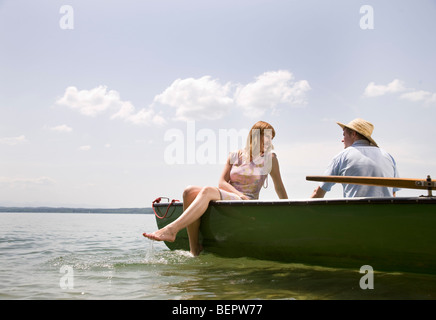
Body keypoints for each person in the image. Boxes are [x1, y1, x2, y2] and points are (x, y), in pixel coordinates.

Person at [143, 121, 288, 256]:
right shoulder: (235, 155)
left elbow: (279, 187)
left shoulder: (270, 159)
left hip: (247, 202)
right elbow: (222, 182)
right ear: (255, 135)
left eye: (271, 138)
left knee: (207, 190)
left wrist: (288, 208)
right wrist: (238, 194)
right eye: (267, 136)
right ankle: (195, 249)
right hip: (233, 196)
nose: (269, 141)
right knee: (189, 191)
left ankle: (171, 229)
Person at [311, 118, 399, 198]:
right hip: (385, 214)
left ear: (353, 134)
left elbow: (318, 193)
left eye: (344, 135)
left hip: (356, 214)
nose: (342, 140)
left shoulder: (342, 157)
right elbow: (393, 194)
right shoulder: (388, 157)